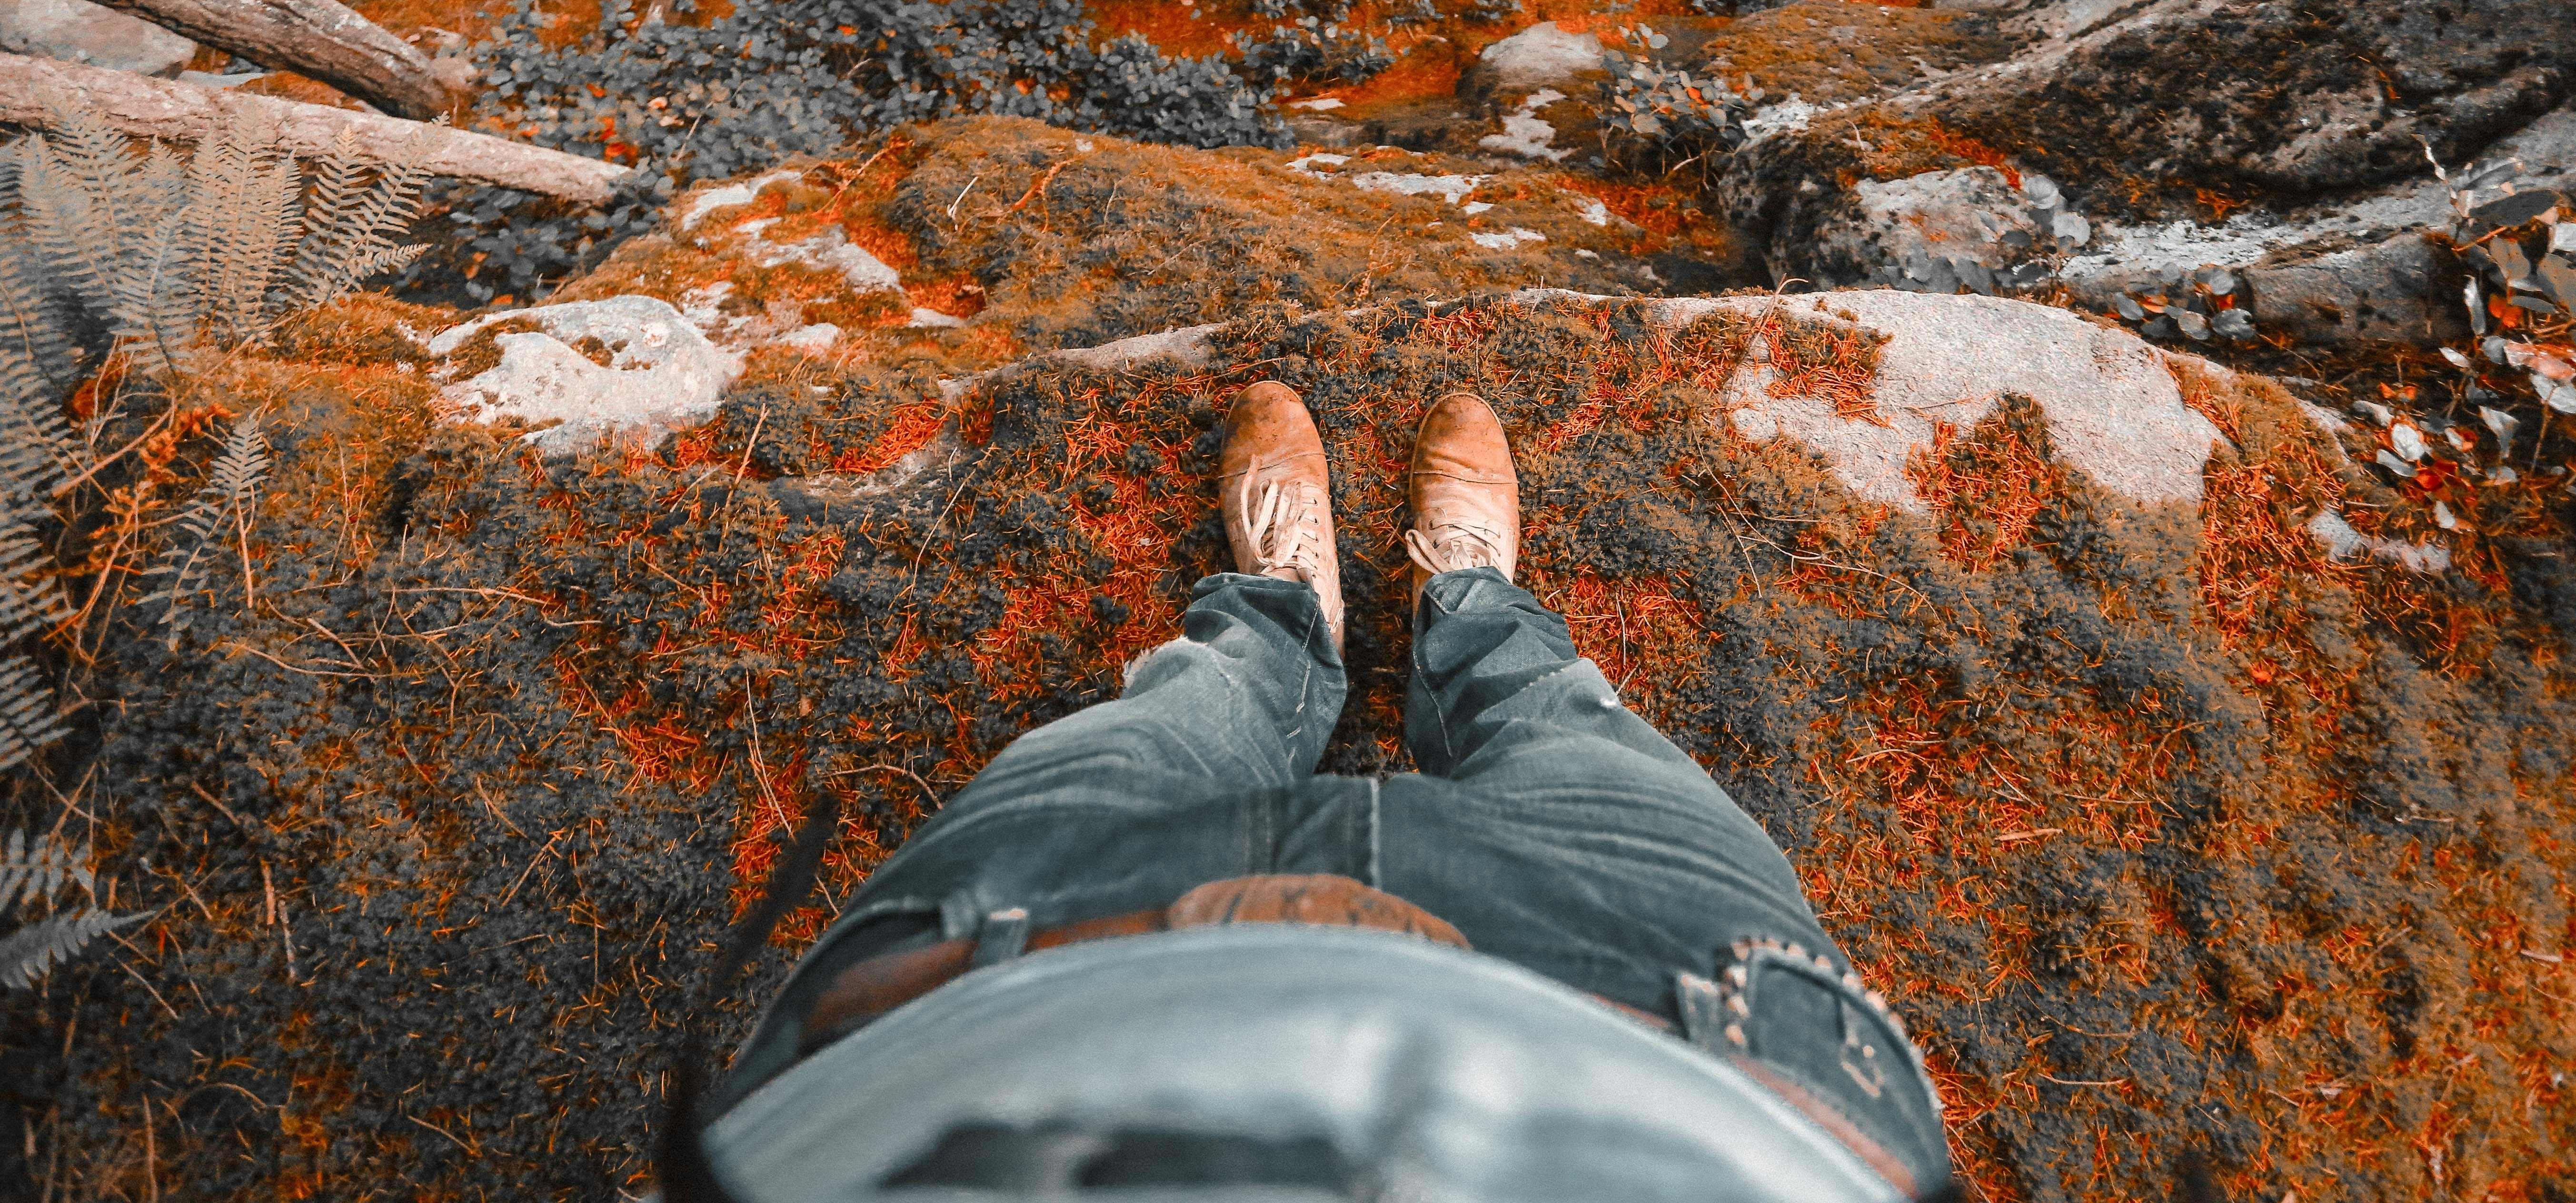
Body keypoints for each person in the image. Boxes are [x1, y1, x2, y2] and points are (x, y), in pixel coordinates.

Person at [671, 385, 1960, 1202]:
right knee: (1571, 724)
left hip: (1005, 977)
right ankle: (1472, 610)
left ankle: (1280, 623)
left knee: (1173, 713)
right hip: (1689, 1021)